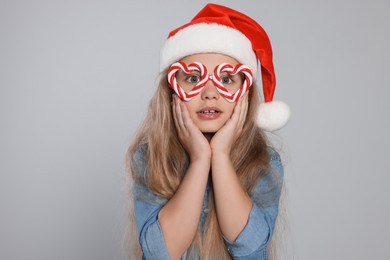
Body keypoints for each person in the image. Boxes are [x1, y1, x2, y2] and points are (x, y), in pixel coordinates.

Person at [125, 3, 290, 260]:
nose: (210, 93)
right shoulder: (150, 157)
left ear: (244, 92)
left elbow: (250, 249)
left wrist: (220, 156)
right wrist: (201, 159)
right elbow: (160, 253)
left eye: (226, 80)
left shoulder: (264, 163)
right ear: (171, 89)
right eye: (192, 78)